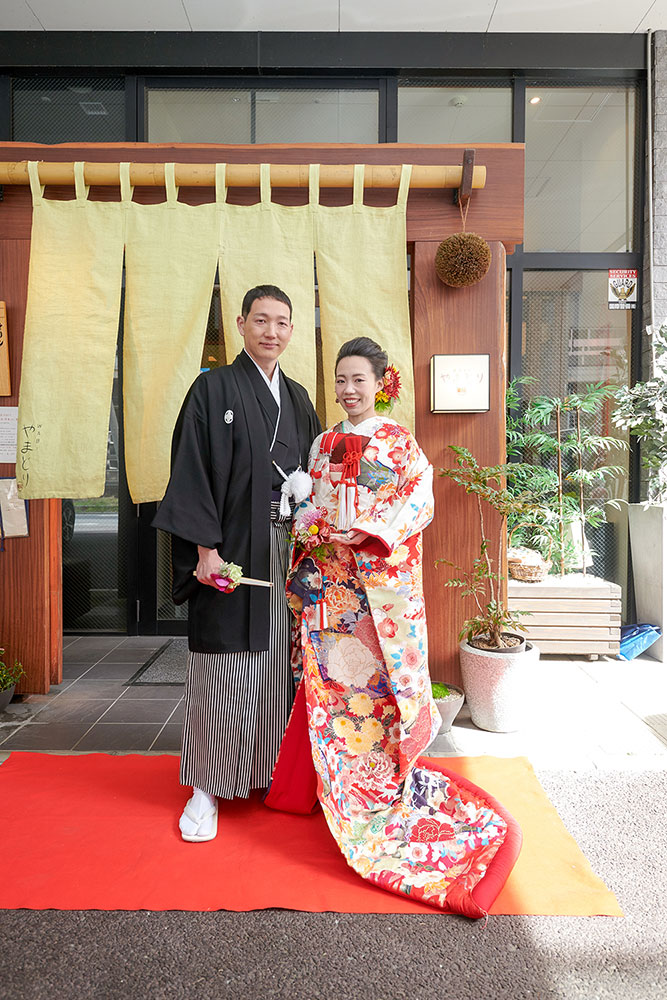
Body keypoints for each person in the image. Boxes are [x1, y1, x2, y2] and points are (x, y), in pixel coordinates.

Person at [269, 337, 512, 914]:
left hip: (380, 597)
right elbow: (310, 511)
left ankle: (382, 784)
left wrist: (374, 533)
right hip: (334, 596)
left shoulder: (400, 443)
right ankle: (337, 787)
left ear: (380, 382)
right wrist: (311, 526)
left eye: (359, 380)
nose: (350, 391)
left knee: (381, 694)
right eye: (342, 380)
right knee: (333, 694)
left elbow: (416, 502)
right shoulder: (324, 442)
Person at [153, 284, 320, 842]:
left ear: (292, 331)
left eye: (282, 323)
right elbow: (192, 470)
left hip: (286, 550)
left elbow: (314, 475)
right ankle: (205, 787)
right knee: (222, 667)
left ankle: (268, 772)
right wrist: (204, 551)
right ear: (242, 325)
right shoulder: (212, 389)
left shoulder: (298, 398)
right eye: (261, 320)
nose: (272, 332)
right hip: (228, 553)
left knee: (278, 666)